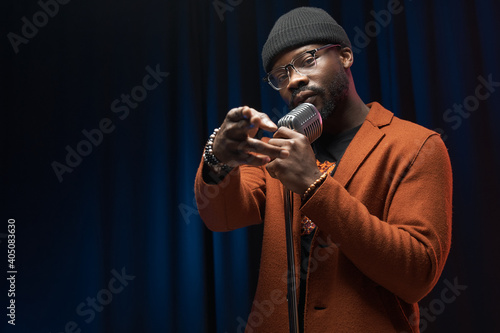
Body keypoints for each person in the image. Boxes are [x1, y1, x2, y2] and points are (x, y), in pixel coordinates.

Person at [195, 7, 452, 333]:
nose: (295, 80)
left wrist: (315, 186)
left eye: (308, 59)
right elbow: (221, 216)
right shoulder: (279, 149)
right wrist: (219, 159)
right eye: (281, 75)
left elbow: (417, 273)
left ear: (345, 56)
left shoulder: (415, 146)